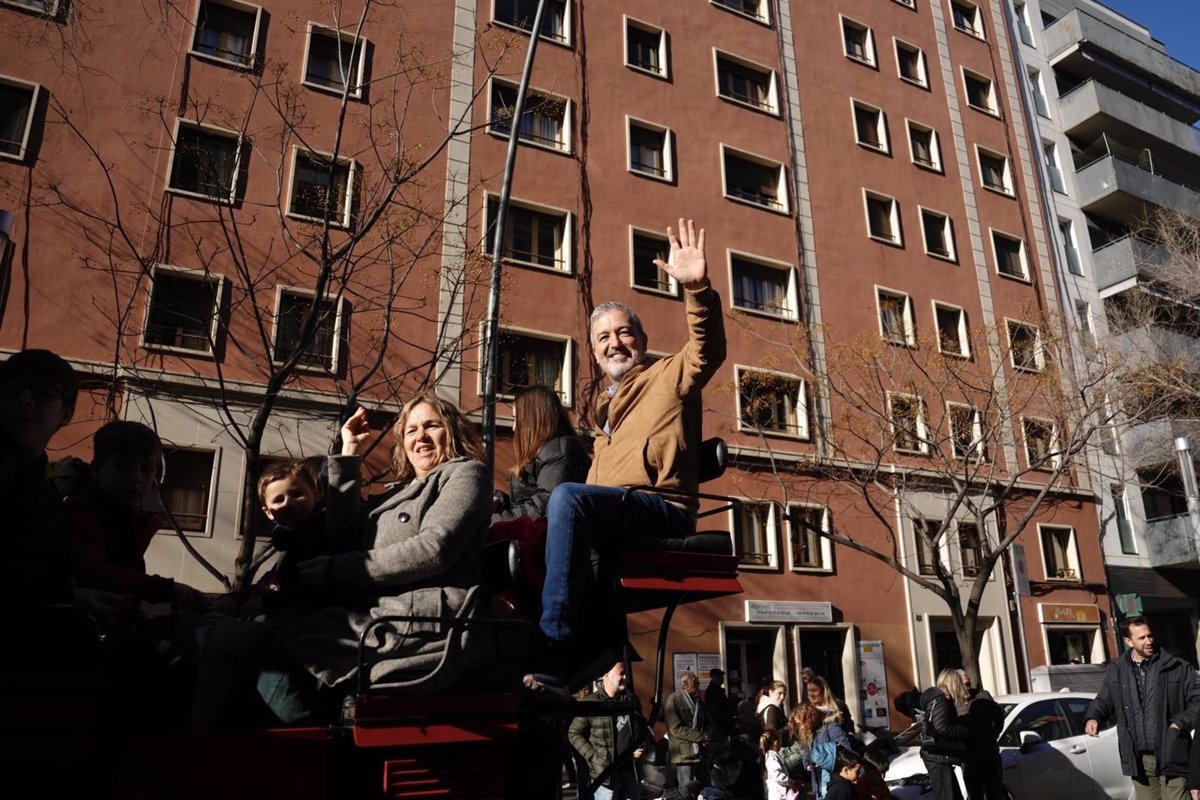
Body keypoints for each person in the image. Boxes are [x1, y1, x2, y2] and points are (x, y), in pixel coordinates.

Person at [194, 397, 493, 727]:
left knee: (248, 643)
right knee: (233, 640)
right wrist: (349, 453)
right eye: (410, 430)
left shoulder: (465, 473)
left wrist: (337, 571)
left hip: (419, 622)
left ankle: (295, 751)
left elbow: (436, 548)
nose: (419, 436)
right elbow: (345, 536)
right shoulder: (399, 492)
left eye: (431, 425)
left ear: (452, 431)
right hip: (370, 616)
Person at [537, 219, 726, 678]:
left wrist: (698, 289)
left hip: (662, 506)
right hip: (619, 514)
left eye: (623, 333)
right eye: (603, 338)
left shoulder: (669, 376)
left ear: (640, 341)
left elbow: (708, 350)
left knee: (569, 498)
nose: (614, 343)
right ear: (596, 354)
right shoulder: (602, 414)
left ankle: (555, 643)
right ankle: (598, 657)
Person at [66, 420, 205, 609]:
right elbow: (94, 573)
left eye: (146, 469)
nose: (136, 477)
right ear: (96, 470)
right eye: (123, 466)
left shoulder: (132, 522)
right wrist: (165, 589)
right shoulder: (81, 513)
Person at [1085, 616, 1200, 800]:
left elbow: (1198, 700)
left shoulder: (1177, 666)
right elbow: (1104, 700)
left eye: (1150, 636)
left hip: (1172, 751)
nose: (1149, 641)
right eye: (1142, 638)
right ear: (1128, 641)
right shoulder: (1117, 669)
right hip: (1138, 759)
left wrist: (1180, 723)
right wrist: (1093, 717)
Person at [255, 459, 358, 615]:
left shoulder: (323, 533)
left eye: (296, 494)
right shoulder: (287, 541)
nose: (289, 503)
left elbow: (310, 593)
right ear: (268, 512)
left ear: (315, 494)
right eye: (278, 499)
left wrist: (267, 603)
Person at [493, 384, 590, 522]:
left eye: (517, 419)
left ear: (535, 419)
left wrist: (491, 522)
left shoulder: (560, 451)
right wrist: (500, 500)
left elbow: (542, 507)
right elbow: (527, 503)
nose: (514, 428)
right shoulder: (545, 452)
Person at [568, 660, 648, 800]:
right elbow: (574, 733)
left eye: (626, 674)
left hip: (631, 773)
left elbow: (642, 729)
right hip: (606, 777)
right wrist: (593, 757)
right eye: (621, 673)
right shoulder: (591, 703)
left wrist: (642, 746)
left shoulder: (632, 700)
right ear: (606, 674)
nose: (625, 677)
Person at [919, 668, 972, 800]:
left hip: (937, 754)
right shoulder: (941, 700)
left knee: (952, 795)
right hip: (937, 756)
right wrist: (965, 732)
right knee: (947, 796)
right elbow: (941, 726)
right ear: (952, 682)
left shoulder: (938, 699)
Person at [957, 669, 1004, 800]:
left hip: (990, 756)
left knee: (994, 794)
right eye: (965, 684)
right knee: (975, 795)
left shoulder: (983, 696)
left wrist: (994, 734)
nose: (968, 687)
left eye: (969, 683)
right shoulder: (954, 704)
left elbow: (999, 716)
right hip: (969, 760)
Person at [796, 701, 851, 800]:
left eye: (803, 722)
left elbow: (846, 748)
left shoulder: (831, 726)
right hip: (818, 780)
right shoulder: (811, 731)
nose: (802, 726)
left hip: (832, 778)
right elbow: (807, 749)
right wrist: (807, 764)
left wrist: (824, 761)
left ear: (810, 718)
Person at [665, 671, 709, 790]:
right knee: (686, 790)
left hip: (700, 752)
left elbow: (704, 722)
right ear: (684, 684)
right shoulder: (674, 700)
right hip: (684, 754)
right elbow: (676, 729)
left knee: (702, 789)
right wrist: (700, 737)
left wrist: (706, 735)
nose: (698, 684)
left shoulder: (698, 700)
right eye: (695, 681)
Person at [761, 728, 797, 800]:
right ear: (776, 742)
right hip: (777, 795)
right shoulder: (771, 757)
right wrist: (790, 782)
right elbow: (777, 775)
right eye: (780, 740)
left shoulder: (771, 756)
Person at [705, 668, 736, 741]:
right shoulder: (713, 692)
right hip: (717, 729)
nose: (722, 679)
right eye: (720, 677)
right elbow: (716, 712)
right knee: (721, 749)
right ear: (714, 677)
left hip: (720, 727)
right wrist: (727, 719)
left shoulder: (718, 690)